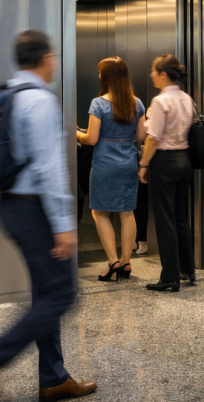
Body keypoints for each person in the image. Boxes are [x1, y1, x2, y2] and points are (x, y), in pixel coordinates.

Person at [0, 30, 96, 400]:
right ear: (45, 58)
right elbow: (51, 170)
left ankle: (54, 377)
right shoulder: (39, 101)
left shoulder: (7, 93)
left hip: (12, 205)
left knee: (47, 292)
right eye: (53, 56)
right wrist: (65, 226)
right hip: (35, 208)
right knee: (64, 294)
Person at [76, 57, 146, 281]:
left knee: (99, 212)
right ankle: (126, 263)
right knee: (127, 212)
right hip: (128, 160)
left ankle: (113, 261)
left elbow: (91, 138)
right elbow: (141, 136)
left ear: (106, 77)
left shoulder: (99, 104)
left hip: (105, 161)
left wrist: (74, 132)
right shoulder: (137, 103)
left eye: (100, 72)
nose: (98, 76)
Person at [139, 54, 196, 291]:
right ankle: (187, 270)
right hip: (185, 159)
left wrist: (143, 164)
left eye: (154, 71)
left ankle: (169, 276)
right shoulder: (186, 98)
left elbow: (153, 138)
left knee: (164, 219)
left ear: (163, 74)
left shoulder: (160, 102)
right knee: (180, 217)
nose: (151, 74)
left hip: (164, 161)